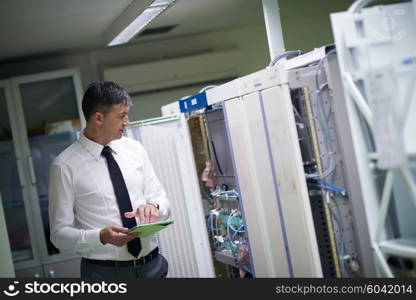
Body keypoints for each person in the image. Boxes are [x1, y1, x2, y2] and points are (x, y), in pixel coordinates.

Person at [49, 81, 170, 278]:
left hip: (153, 267)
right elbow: (59, 235)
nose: (127, 122)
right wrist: (100, 237)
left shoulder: (135, 149)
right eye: (121, 116)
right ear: (99, 118)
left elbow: (162, 200)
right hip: (104, 274)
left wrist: (154, 207)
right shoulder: (64, 166)